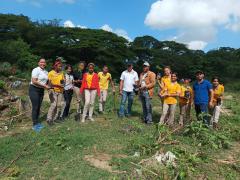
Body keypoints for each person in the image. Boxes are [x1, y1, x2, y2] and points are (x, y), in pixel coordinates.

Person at [29, 58, 50, 132]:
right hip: (34, 89)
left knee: (39, 106)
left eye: (44, 62)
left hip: (41, 90)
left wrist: (49, 86)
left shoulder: (46, 72)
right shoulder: (36, 70)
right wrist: (45, 86)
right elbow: (34, 81)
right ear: (38, 63)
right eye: (41, 62)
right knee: (35, 106)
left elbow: (47, 82)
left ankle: (37, 122)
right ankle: (34, 125)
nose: (43, 64)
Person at [46, 60, 65, 126]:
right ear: (55, 66)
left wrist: (63, 84)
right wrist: (57, 85)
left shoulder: (61, 73)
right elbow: (49, 83)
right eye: (59, 66)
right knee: (53, 105)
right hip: (52, 90)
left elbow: (63, 81)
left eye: (61, 66)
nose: (60, 68)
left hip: (60, 91)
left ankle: (54, 118)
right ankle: (49, 119)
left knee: (58, 105)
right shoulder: (51, 73)